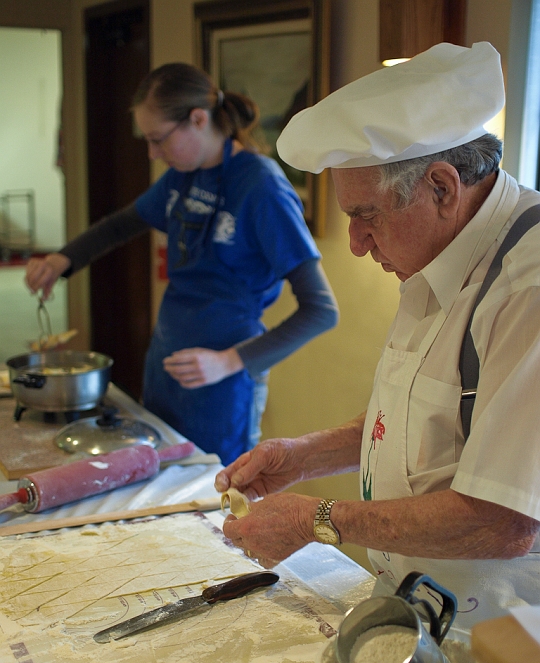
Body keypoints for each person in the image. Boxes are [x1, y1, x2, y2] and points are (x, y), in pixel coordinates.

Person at [215, 41, 540, 629]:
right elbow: (428, 417)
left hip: (499, 643)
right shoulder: (439, 252)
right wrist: (303, 455)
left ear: (442, 188)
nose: (358, 243)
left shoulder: (527, 289)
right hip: (416, 605)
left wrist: (315, 520)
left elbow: (504, 520)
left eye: (367, 215)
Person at [25, 63, 339, 465]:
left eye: (158, 140)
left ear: (198, 119)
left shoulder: (261, 186)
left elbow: (322, 311)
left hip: (223, 381)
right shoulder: (182, 176)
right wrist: (62, 259)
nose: (153, 154)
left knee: (214, 502)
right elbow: (121, 225)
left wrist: (230, 361)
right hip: (165, 367)